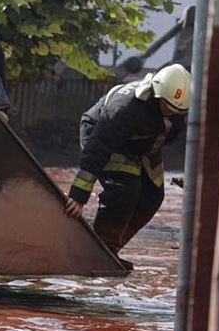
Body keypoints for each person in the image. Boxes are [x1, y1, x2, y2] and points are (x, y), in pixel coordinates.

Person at [64, 64, 192, 270]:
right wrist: (78, 196)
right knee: (124, 191)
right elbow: (98, 147)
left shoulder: (180, 110)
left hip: (143, 147)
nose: (171, 112)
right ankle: (98, 254)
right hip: (102, 136)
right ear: (156, 93)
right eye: (167, 105)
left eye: (178, 110)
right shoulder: (125, 108)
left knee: (152, 197)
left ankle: (107, 251)